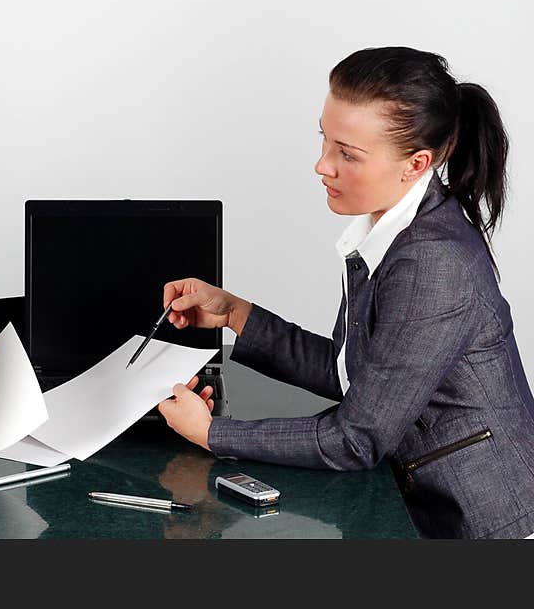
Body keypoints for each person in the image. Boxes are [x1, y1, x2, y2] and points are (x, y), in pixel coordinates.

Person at [157, 47, 534, 539]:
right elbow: (354, 374)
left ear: (415, 164)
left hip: (487, 523)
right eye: (325, 140)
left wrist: (211, 433)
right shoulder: (393, 228)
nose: (322, 166)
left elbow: (356, 438)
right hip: (427, 499)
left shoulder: (432, 262)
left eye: (347, 154)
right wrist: (233, 313)